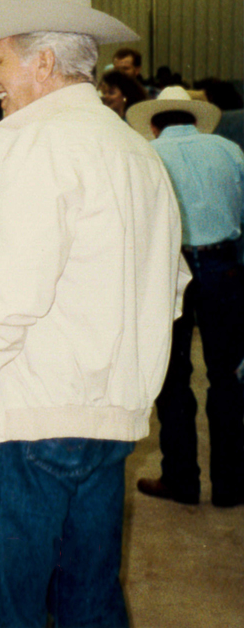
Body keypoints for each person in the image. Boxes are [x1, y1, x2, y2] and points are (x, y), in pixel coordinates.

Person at [0, 0, 185, 627]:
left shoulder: (28, 137)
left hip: (34, 415)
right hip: (112, 421)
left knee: (1, 608)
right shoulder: (137, 151)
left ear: (41, 62)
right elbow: (174, 287)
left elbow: (9, 287)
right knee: (90, 599)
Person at [125, 88, 244, 508]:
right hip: (224, 267)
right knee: (226, 375)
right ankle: (231, 484)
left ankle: (181, 479)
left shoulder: (146, 156)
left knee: (173, 378)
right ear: (194, 120)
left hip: (169, 270)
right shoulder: (229, 150)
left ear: (154, 123)